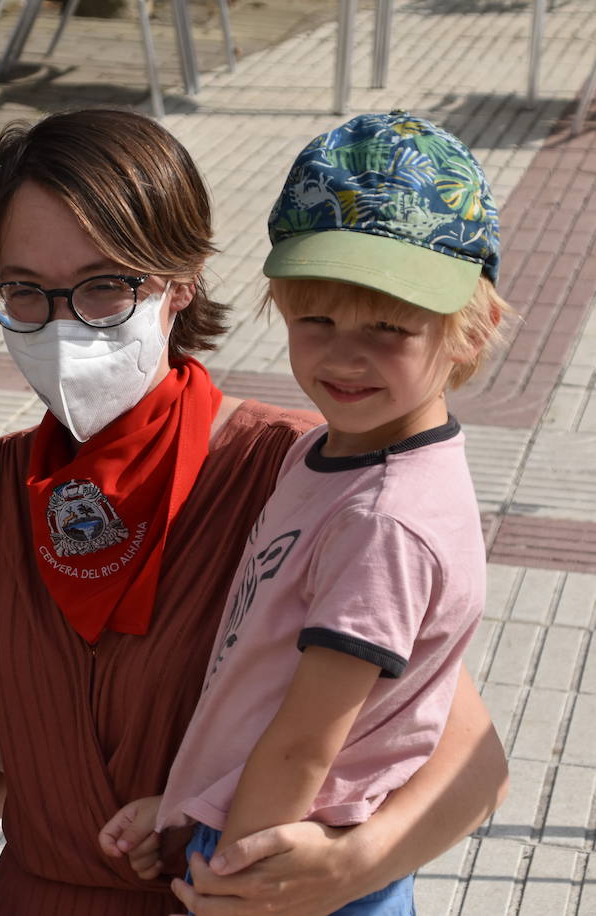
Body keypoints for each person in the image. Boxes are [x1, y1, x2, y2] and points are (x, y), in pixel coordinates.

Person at [0, 107, 509, 915]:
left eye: (106, 285)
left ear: (182, 281)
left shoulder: (296, 475)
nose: (65, 324)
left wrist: (346, 866)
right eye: (26, 291)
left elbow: (468, 757)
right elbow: (35, 754)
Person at [98, 111, 512, 914]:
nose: (345, 354)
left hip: (287, 854)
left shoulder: (385, 521)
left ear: (474, 330)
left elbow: (305, 742)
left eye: (390, 326)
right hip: (262, 822)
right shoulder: (329, 455)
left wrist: (236, 875)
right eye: (315, 319)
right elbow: (257, 672)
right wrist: (186, 805)